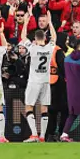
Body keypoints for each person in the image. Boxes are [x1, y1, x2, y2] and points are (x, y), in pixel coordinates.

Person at [22, 10, 56, 143]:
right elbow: (54, 38)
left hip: (34, 81)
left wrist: (26, 21)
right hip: (45, 81)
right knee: (44, 108)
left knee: (29, 106)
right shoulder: (49, 48)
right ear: (44, 38)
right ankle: (42, 137)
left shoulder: (33, 48)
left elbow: (23, 37)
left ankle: (34, 134)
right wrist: (50, 22)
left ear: (35, 39)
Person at [46, 31, 70, 141]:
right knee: (64, 110)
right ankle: (61, 133)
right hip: (59, 84)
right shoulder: (58, 50)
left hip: (47, 83)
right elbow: (64, 68)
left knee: (51, 112)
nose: (67, 42)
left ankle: (49, 134)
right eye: (66, 40)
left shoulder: (44, 49)